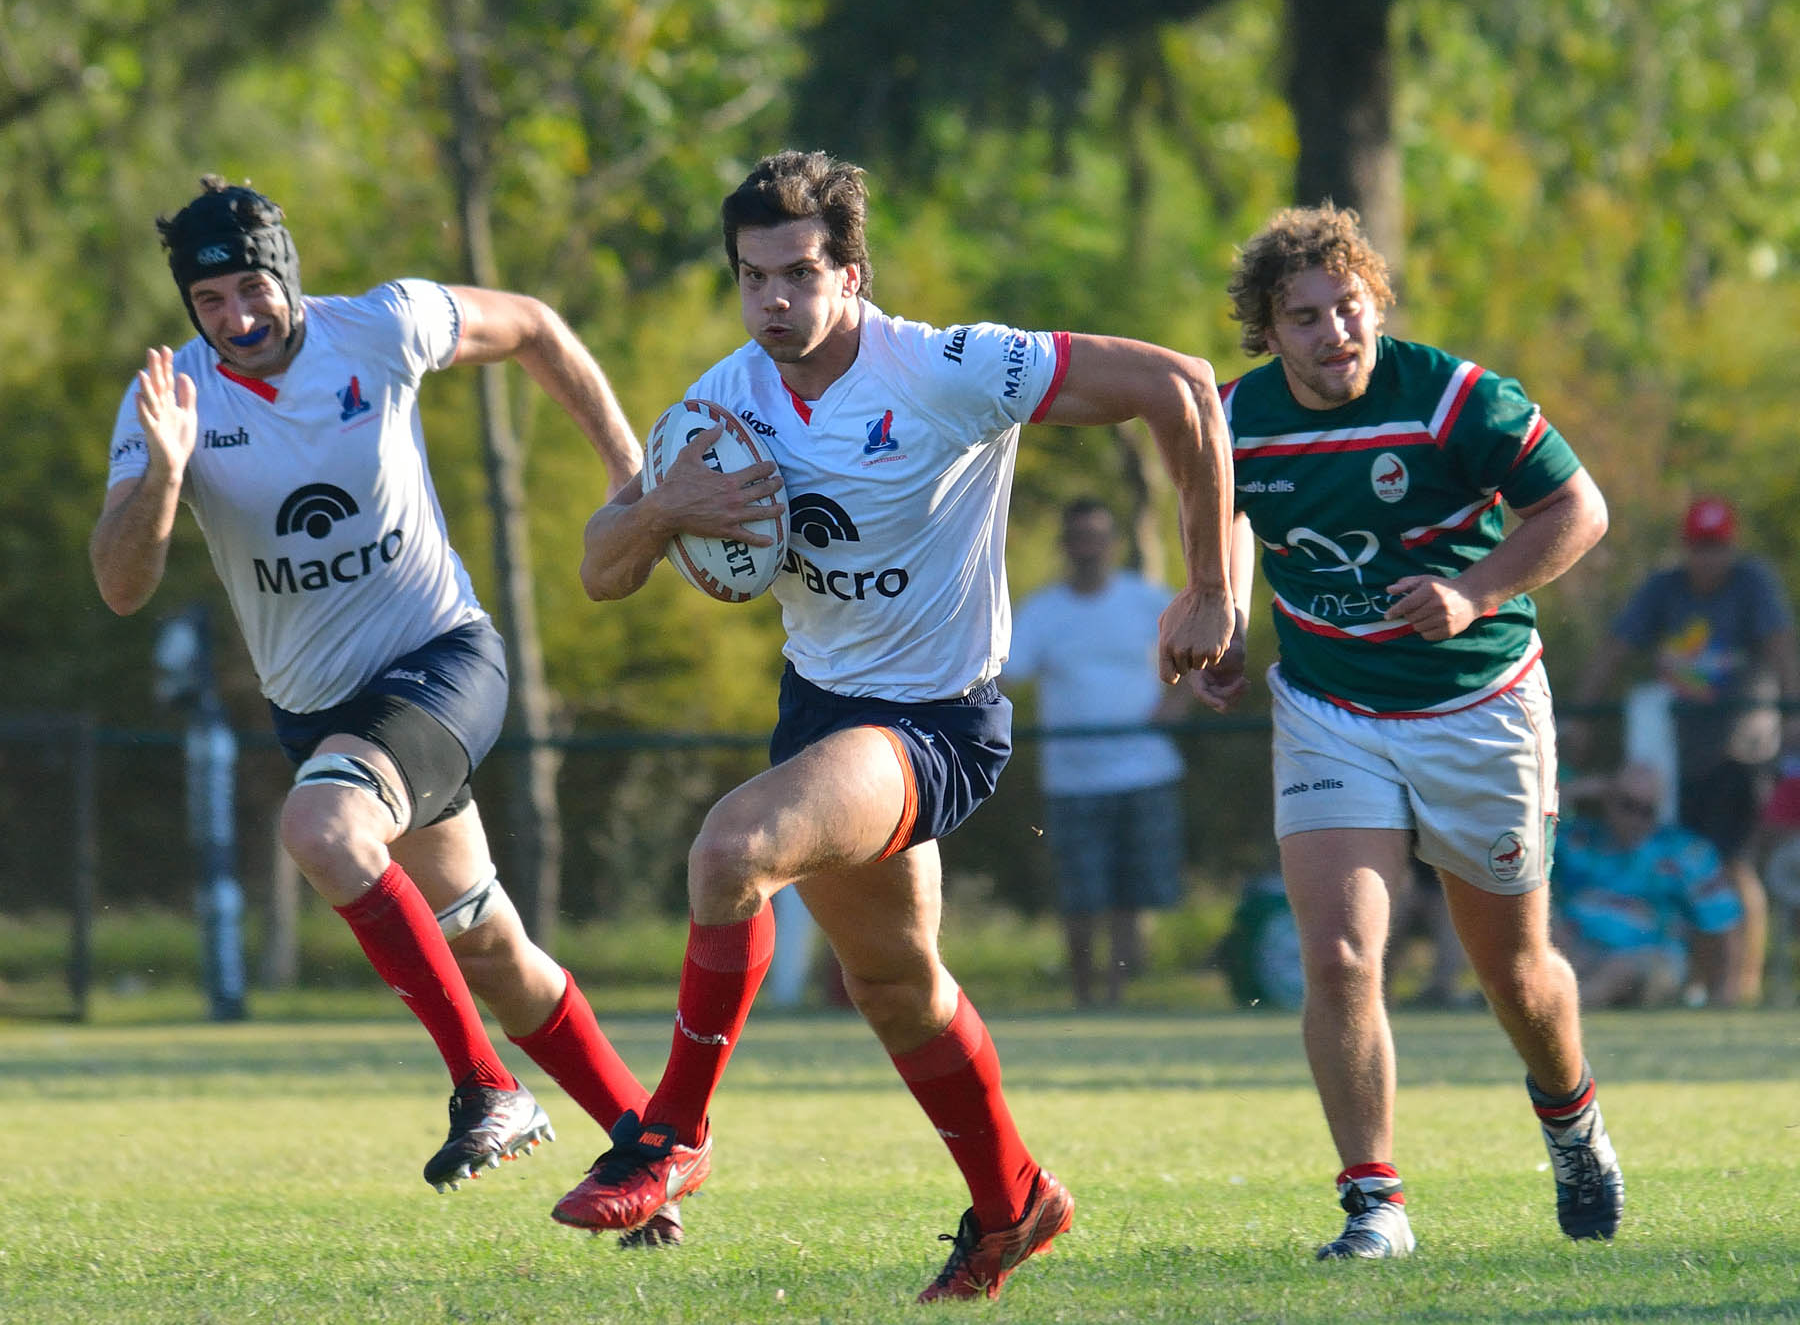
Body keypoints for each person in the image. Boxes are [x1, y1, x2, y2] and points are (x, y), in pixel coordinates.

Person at [561, 149, 1233, 1301]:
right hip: (820, 716)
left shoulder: (945, 368)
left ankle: (672, 1134)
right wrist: (665, 506)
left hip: (938, 724)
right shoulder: (722, 400)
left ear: (852, 274)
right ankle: (1014, 1203)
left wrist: (1211, 586)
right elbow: (600, 570)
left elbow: (1182, 384)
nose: (775, 300)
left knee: (730, 851)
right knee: (895, 987)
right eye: (753, 277)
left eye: (800, 274)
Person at [90, 176, 681, 1244]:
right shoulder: (172, 399)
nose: (237, 317)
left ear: (288, 274)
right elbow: (121, 587)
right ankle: (653, 1154)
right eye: (209, 301)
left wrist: (629, 474)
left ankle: (486, 1088)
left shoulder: (382, 327)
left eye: (252, 288)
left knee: (322, 828)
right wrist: (166, 474)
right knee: (491, 949)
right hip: (322, 717)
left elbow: (533, 327)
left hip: (441, 658)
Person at [1190, 202, 1620, 1259]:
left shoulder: (1455, 398)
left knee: (1514, 976)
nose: (1333, 332)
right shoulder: (1236, 418)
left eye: (1348, 307)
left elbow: (1578, 511)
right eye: (1304, 317)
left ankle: (1572, 1124)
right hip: (1329, 707)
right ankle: (1374, 1202)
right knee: (1340, 956)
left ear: (1377, 302)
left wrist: (1473, 592)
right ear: (1266, 330)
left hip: (1479, 706)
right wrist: (1221, 612)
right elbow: (1230, 518)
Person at [1569, 496, 1800, 1005]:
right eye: (1699, 547)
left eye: (1716, 547)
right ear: (1686, 547)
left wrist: (1791, 714)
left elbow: (1781, 645)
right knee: (1682, 863)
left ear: (1731, 546)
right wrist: (1582, 716)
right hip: (1676, 755)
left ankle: (1737, 985)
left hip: (1738, 748)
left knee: (1730, 864)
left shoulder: (1752, 583)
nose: (1707, 558)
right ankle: (1695, 978)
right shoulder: (1665, 587)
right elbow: (1614, 648)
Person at [1007, 497, 1190, 1007]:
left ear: (1113, 543)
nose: (1088, 548)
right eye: (1078, 537)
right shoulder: (1042, 611)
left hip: (1144, 771)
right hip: (1072, 777)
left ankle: (1119, 993)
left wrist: (1174, 707)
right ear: (1065, 545)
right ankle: (1083, 994)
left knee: (1132, 894)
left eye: (1097, 537)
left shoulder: (1147, 600)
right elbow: (1006, 674)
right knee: (1080, 896)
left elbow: (1198, 656)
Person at [1554, 763, 1745, 1007]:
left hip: (1651, 959)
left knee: (1619, 969)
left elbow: (1723, 923)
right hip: (1580, 951)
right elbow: (1523, 836)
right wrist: (1573, 791)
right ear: (1608, 801)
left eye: (1647, 811)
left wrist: (1725, 991)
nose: (1636, 819)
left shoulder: (1683, 853)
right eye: (1628, 806)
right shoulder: (1576, 841)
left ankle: (1558, 1011)